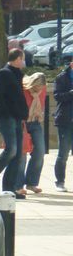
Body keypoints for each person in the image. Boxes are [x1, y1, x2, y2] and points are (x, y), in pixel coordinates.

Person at [0, 48, 29, 198]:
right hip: (6, 117)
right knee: (11, 150)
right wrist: (8, 112)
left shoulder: (16, 74)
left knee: (17, 154)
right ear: (18, 59)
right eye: (23, 58)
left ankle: (9, 188)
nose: (24, 61)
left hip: (17, 118)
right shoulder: (4, 73)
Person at [17, 73, 47, 195]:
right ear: (32, 83)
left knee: (40, 151)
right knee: (21, 155)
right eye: (37, 87)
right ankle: (18, 185)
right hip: (22, 122)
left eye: (41, 87)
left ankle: (31, 182)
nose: (39, 89)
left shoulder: (43, 89)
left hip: (35, 122)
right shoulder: (23, 89)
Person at [53, 59, 73, 191]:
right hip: (65, 120)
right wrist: (71, 93)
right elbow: (57, 96)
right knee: (63, 153)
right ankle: (60, 181)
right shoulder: (62, 77)